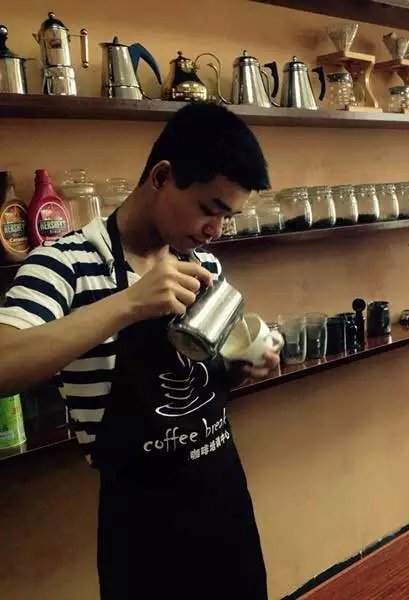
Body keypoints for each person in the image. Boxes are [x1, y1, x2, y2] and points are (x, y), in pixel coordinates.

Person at [0, 103, 278, 599]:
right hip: (142, 530)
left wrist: (243, 366)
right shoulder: (64, 264)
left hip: (224, 506)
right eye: (209, 209)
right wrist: (128, 304)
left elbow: (199, 386)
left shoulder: (203, 265)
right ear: (162, 177)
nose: (215, 230)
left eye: (227, 217)